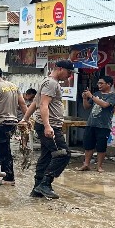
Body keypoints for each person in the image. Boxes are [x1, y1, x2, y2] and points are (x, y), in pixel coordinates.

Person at [21, 59, 74, 199]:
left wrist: (25, 118)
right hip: (50, 125)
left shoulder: (48, 81)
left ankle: (37, 188)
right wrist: (47, 126)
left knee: (46, 156)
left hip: (47, 124)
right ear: (60, 69)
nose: (69, 75)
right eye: (69, 72)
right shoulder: (51, 83)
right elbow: (43, 105)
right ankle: (44, 184)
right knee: (63, 154)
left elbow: (35, 103)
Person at [80, 75, 115, 172]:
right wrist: (85, 98)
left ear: (108, 84)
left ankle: (99, 166)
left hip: (103, 125)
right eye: (98, 83)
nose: (99, 85)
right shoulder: (97, 93)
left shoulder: (113, 96)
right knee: (88, 145)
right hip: (91, 123)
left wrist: (91, 96)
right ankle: (86, 164)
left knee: (101, 146)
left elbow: (105, 105)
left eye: (101, 83)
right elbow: (87, 106)